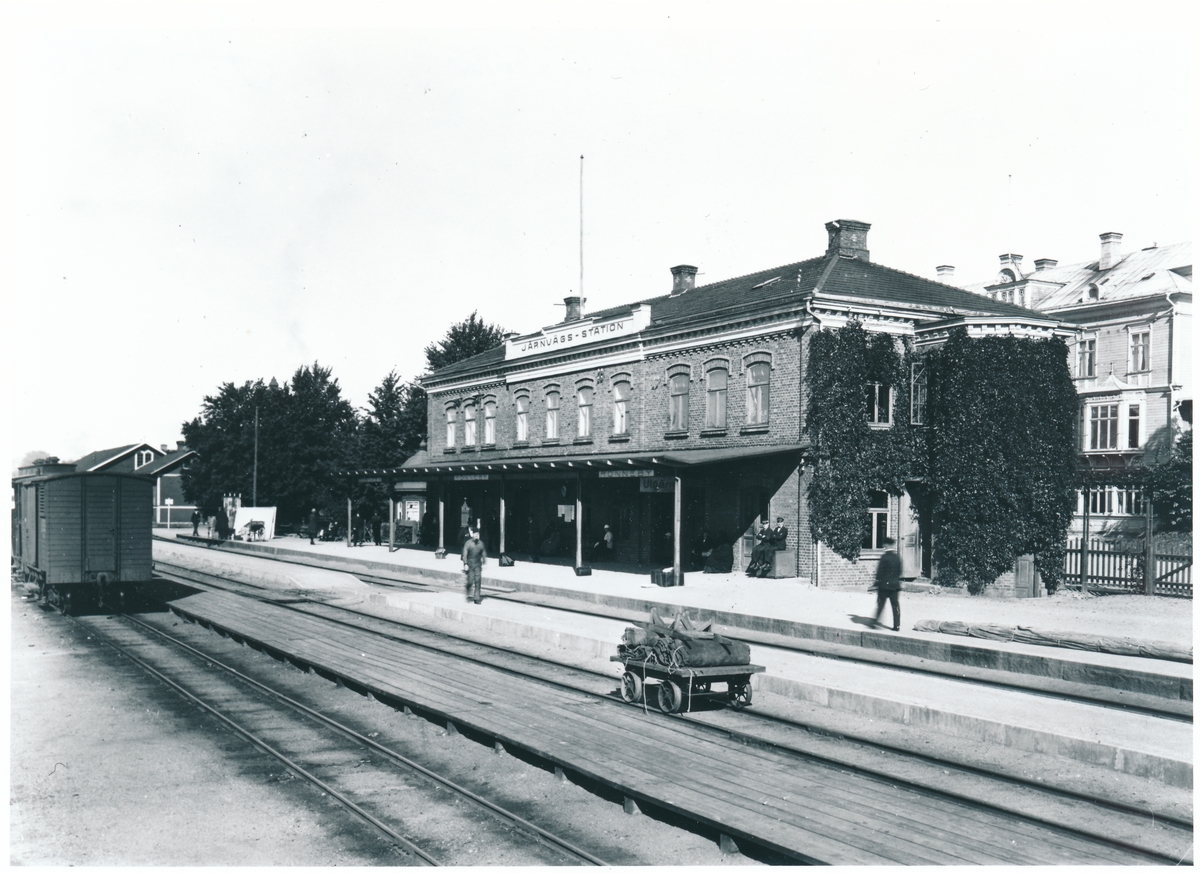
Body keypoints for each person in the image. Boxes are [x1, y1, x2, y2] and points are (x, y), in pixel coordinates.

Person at [871, 538, 903, 631]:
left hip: (884, 585)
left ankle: (875, 623)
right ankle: (897, 625)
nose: (884, 546)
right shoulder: (897, 557)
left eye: (884, 544)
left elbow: (880, 572)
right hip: (895, 585)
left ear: (887, 545)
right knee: (895, 605)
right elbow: (899, 571)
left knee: (881, 604)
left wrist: (877, 582)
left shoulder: (884, 557)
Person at [461, 527, 487, 604]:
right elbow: (465, 554)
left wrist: (484, 559)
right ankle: (468, 591)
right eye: (475, 535)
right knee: (470, 581)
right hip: (470, 564)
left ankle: (476, 598)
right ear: (473, 535)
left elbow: (483, 552)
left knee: (478, 581)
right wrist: (465, 564)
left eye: (477, 535)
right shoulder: (468, 543)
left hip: (478, 564)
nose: (476, 536)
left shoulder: (481, 543)